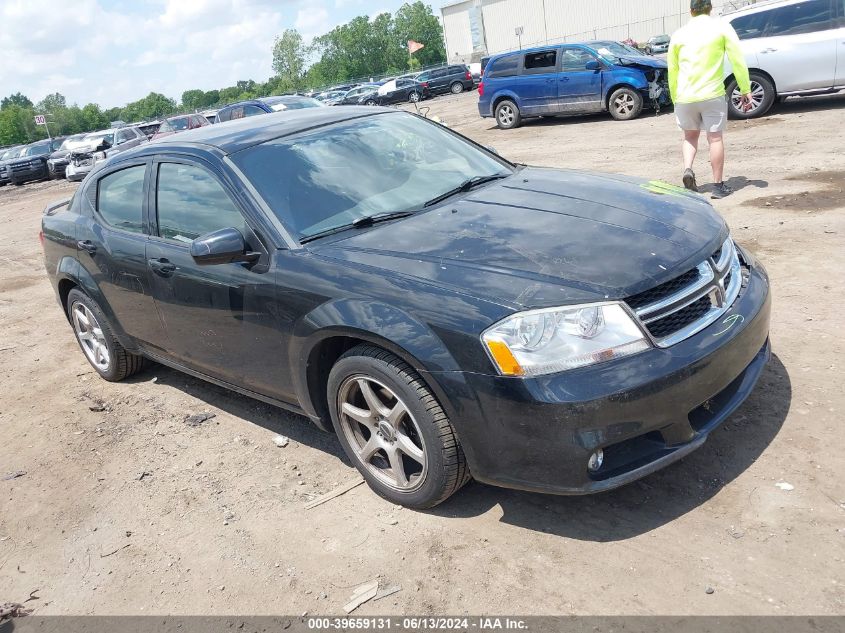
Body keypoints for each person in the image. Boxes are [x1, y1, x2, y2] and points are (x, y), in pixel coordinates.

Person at [667, 0, 753, 199]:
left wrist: (674, 97)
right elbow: (737, 58)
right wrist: (744, 88)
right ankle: (718, 186)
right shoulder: (722, 27)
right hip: (712, 94)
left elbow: (672, 69)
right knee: (714, 138)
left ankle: (688, 169)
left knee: (689, 137)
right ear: (710, 9)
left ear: (691, 11)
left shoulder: (679, 34)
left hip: (685, 96)